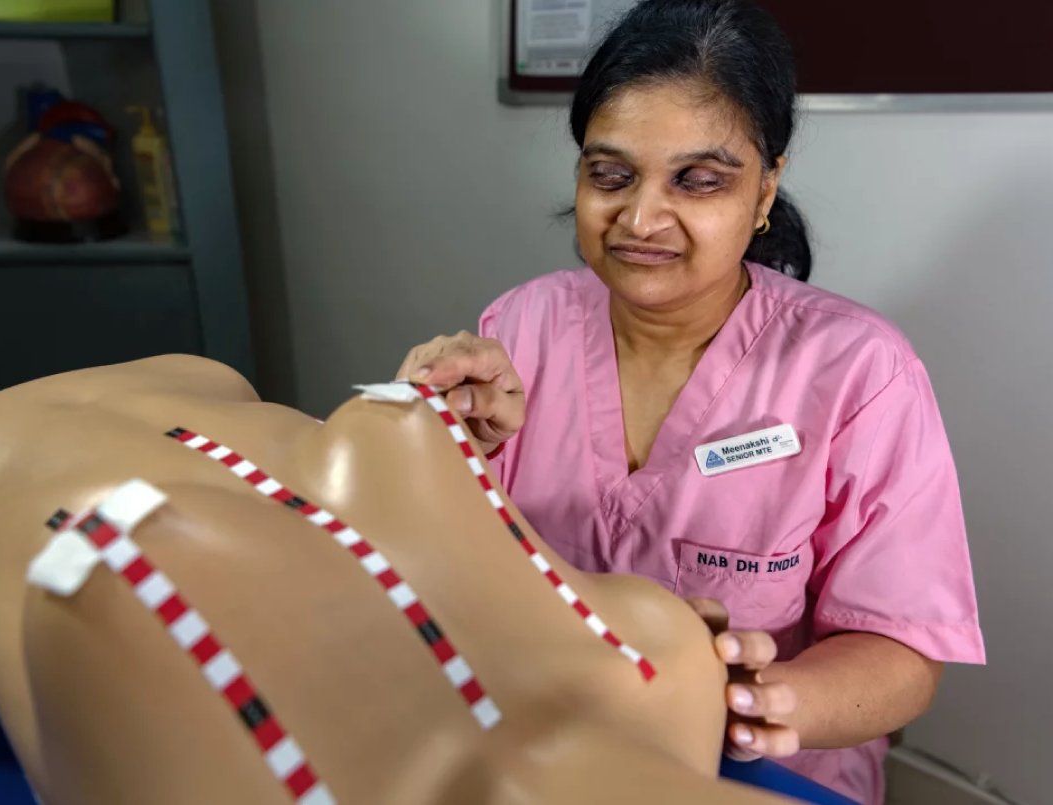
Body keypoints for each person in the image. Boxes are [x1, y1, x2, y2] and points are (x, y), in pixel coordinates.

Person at [396, 1, 985, 802]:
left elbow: (903, 651)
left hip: (755, 769)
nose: (640, 218)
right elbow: (440, 569)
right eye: (609, 175)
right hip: (551, 745)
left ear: (766, 188)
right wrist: (438, 437)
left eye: (697, 181)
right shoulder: (521, 326)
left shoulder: (858, 372)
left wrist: (766, 702)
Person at [0, 355, 793, 804]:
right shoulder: (658, 660)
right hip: (202, 426)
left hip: (16, 489)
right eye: (614, 174)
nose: (646, 215)